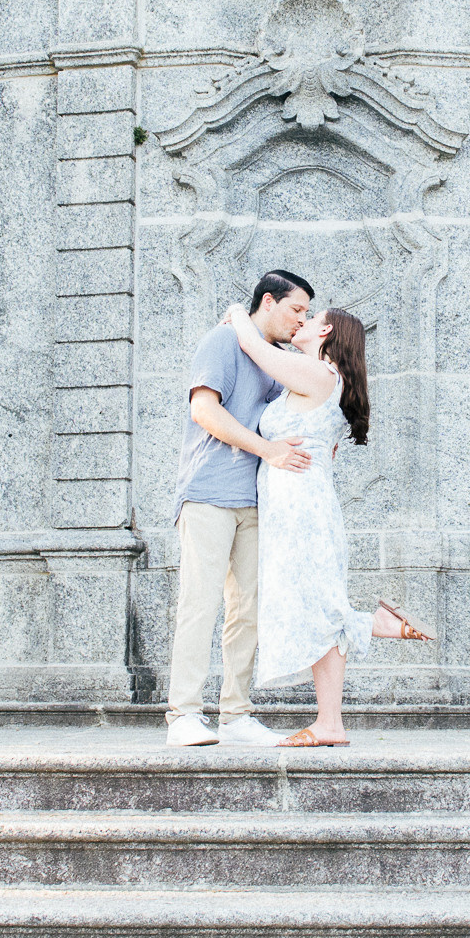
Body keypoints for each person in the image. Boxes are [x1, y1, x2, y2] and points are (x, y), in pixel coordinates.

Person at [222, 302, 432, 748]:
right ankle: (373, 634)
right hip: (295, 508)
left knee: (320, 606)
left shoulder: (319, 374)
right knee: (315, 604)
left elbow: (251, 344)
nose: (302, 322)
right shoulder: (313, 381)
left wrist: (238, 311)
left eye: (311, 318)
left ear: (327, 333)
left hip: (303, 510)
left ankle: (333, 718)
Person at [164, 270, 317, 748]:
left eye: (308, 314)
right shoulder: (222, 341)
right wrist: (268, 451)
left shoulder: (273, 358)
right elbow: (204, 412)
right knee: (200, 603)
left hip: (255, 500)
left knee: (248, 610)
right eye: (297, 309)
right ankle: (183, 715)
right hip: (209, 492)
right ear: (267, 302)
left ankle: (235, 716)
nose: (302, 320)